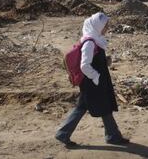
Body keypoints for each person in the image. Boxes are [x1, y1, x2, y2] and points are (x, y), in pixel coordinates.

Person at [55, 12, 129, 148]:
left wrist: (104, 61)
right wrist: (96, 77)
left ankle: (112, 135)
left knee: (93, 106)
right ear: (97, 26)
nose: (107, 28)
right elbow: (84, 65)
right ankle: (112, 136)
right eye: (105, 26)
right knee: (93, 106)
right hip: (92, 83)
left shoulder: (96, 40)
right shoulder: (89, 42)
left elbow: (93, 61)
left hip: (94, 82)